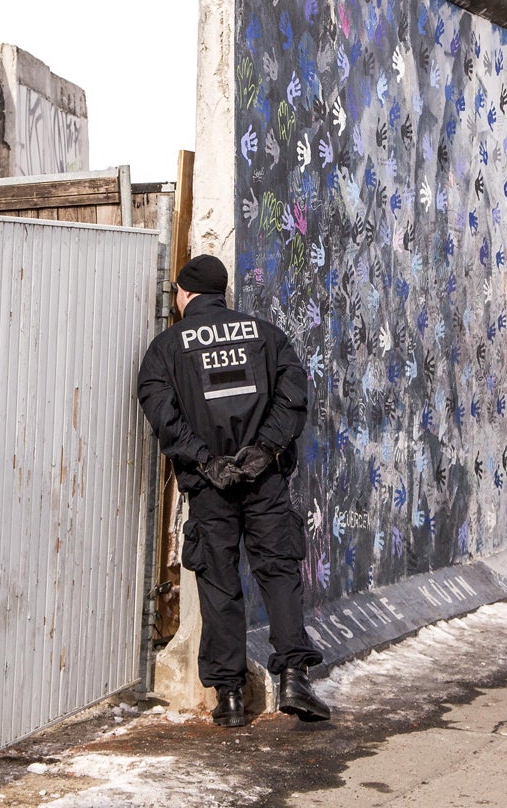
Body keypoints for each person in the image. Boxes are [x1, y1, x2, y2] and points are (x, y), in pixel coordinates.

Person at [137, 254, 329, 727]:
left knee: (219, 583)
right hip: (265, 481)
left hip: (210, 487)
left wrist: (205, 460)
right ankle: (295, 678)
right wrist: (264, 450)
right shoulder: (266, 336)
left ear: (184, 294)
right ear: (221, 294)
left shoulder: (166, 348)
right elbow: (293, 398)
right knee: (279, 572)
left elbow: (163, 415)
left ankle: (229, 697)